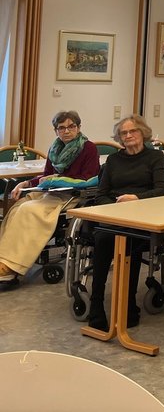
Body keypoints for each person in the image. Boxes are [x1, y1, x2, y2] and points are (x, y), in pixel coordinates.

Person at [0, 111, 100, 290]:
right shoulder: (55, 148)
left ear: (78, 128)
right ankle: (4, 258)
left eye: (71, 126)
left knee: (28, 210)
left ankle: (12, 266)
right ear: (56, 131)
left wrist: (58, 179)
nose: (66, 131)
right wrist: (26, 183)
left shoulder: (88, 148)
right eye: (61, 128)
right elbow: (46, 175)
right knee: (18, 206)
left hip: (71, 195)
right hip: (51, 191)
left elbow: (89, 178)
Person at [87, 115, 164, 332]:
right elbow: (101, 194)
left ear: (143, 133)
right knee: (103, 238)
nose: (128, 135)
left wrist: (136, 199)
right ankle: (96, 304)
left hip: (144, 215)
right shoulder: (113, 160)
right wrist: (116, 208)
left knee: (130, 240)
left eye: (133, 131)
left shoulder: (155, 157)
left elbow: (162, 190)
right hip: (114, 214)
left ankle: (128, 303)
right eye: (124, 133)